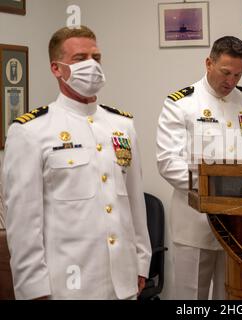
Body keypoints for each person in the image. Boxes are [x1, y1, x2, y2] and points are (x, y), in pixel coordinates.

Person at [1, 26, 151, 300]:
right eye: (80, 59)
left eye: (96, 57)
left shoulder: (122, 126)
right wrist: (33, 289)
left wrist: (142, 262)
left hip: (123, 283)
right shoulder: (31, 131)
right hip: (67, 287)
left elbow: (133, 202)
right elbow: (23, 223)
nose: (92, 66)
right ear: (57, 69)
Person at [157, 36, 242, 299]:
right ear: (209, 63)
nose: (231, 81)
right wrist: (215, 187)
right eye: (225, 72)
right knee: (191, 298)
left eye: (238, 74)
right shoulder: (181, 104)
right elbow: (168, 162)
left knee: (234, 295)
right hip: (195, 223)